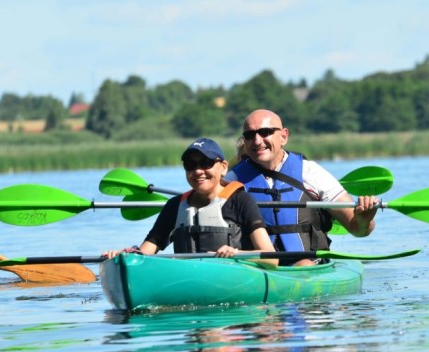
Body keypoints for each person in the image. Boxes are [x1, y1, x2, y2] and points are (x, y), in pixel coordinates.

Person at [226, 109, 380, 265]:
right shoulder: (231, 180)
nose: (257, 141)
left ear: (284, 136)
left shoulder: (311, 172)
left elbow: (358, 229)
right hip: (255, 267)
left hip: (309, 265)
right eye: (250, 135)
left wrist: (364, 221)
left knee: (303, 263)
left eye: (265, 132)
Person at [104, 138, 277, 267]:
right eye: (190, 165)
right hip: (188, 279)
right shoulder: (174, 206)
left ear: (224, 167)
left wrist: (237, 254)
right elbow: (144, 255)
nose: (198, 171)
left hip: (234, 278)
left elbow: (271, 258)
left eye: (206, 163)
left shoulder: (241, 200)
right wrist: (125, 256)